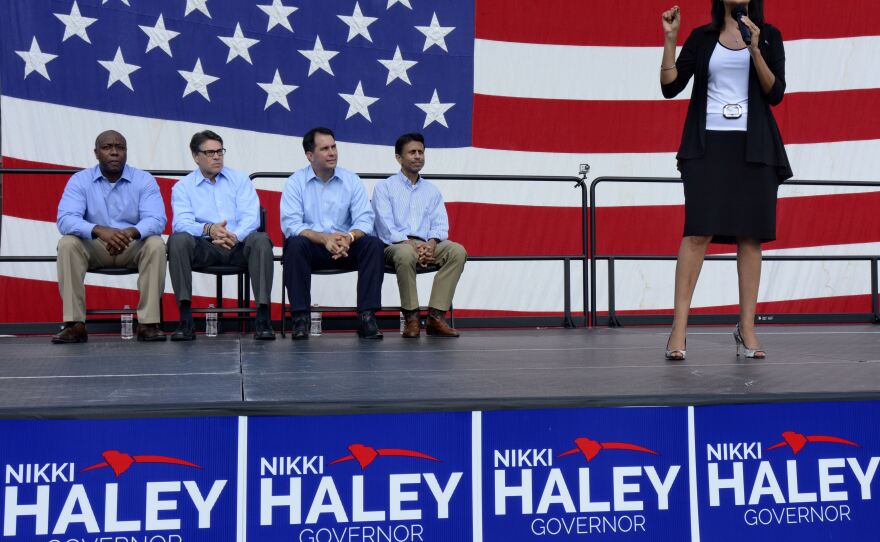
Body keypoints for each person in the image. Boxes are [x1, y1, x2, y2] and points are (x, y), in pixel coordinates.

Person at [660, 0, 791, 360]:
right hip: (707, 146)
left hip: (755, 146)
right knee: (697, 232)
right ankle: (679, 328)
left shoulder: (769, 36)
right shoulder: (702, 38)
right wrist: (670, 40)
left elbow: (775, 93)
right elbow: (670, 86)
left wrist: (755, 49)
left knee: (750, 236)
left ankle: (746, 328)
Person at [54, 130, 167, 343]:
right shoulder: (80, 180)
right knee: (67, 243)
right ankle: (74, 324)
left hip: (131, 245)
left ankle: (148, 324)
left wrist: (129, 232)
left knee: (156, 244)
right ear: (96, 153)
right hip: (95, 246)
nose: (114, 152)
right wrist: (99, 230)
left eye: (120, 148)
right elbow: (65, 219)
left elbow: (157, 219)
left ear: (126, 152)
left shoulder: (144, 180)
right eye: (107, 148)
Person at [167, 130, 275, 340]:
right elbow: (181, 223)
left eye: (220, 151)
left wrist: (234, 236)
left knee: (261, 240)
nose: (217, 157)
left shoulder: (240, 180)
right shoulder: (183, 187)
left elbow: (252, 217)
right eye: (210, 153)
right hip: (204, 247)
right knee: (177, 240)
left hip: (239, 246)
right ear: (195, 156)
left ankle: (263, 318)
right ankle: (185, 319)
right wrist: (209, 229)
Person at [280, 127, 385, 340]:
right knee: (295, 244)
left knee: (373, 244)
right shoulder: (295, 182)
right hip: (313, 248)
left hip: (346, 247)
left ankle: (367, 317)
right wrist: (325, 239)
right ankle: (300, 318)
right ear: (310, 155)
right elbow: (291, 225)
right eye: (325, 149)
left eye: (334, 147)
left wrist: (349, 237)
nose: (332, 153)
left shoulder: (351, 179)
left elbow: (365, 219)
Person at [372, 133, 466, 338]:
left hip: (426, 245)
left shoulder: (432, 191)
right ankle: (412, 319)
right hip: (394, 245)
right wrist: (412, 246)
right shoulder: (384, 187)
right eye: (412, 152)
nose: (417, 156)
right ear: (398, 158)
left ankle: (435, 318)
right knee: (406, 253)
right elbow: (385, 228)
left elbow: (440, 225)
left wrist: (431, 244)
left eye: (421, 152)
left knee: (457, 251)